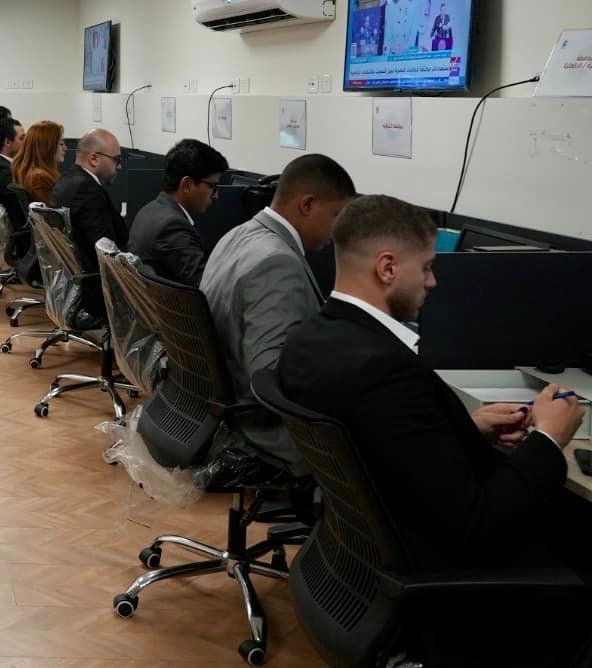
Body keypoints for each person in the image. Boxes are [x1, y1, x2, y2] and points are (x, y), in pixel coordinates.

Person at [278, 195, 592, 663]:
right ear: (388, 268)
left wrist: (463, 428)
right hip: (457, 578)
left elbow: (379, 445)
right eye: (426, 267)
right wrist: (550, 436)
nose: (433, 282)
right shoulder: (385, 368)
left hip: (365, 559)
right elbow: (478, 524)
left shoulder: (309, 341)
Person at [201, 153, 355, 471]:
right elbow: (270, 376)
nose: (338, 230)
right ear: (307, 204)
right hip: (264, 430)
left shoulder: (238, 234)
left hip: (221, 406)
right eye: (336, 215)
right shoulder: (277, 262)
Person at [49, 127, 127, 320]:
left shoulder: (66, 181)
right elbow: (106, 249)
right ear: (94, 159)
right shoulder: (88, 191)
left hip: (69, 285)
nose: (119, 167)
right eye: (116, 160)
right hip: (95, 290)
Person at [127, 138, 228, 286]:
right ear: (187, 185)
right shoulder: (171, 227)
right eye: (212, 186)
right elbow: (208, 285)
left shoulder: (149, 210)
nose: (216, 195)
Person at [10, 119, 64, 204]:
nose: (65, 148)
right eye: (61, 144)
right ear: (47, 147)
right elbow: (54, 210)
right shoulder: (39, 178)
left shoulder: (35, 174)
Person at [0, 117, 24, 197]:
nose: (25, 143)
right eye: (22, 138)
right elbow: (20, 201)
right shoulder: (2, 171)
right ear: (7, 142)